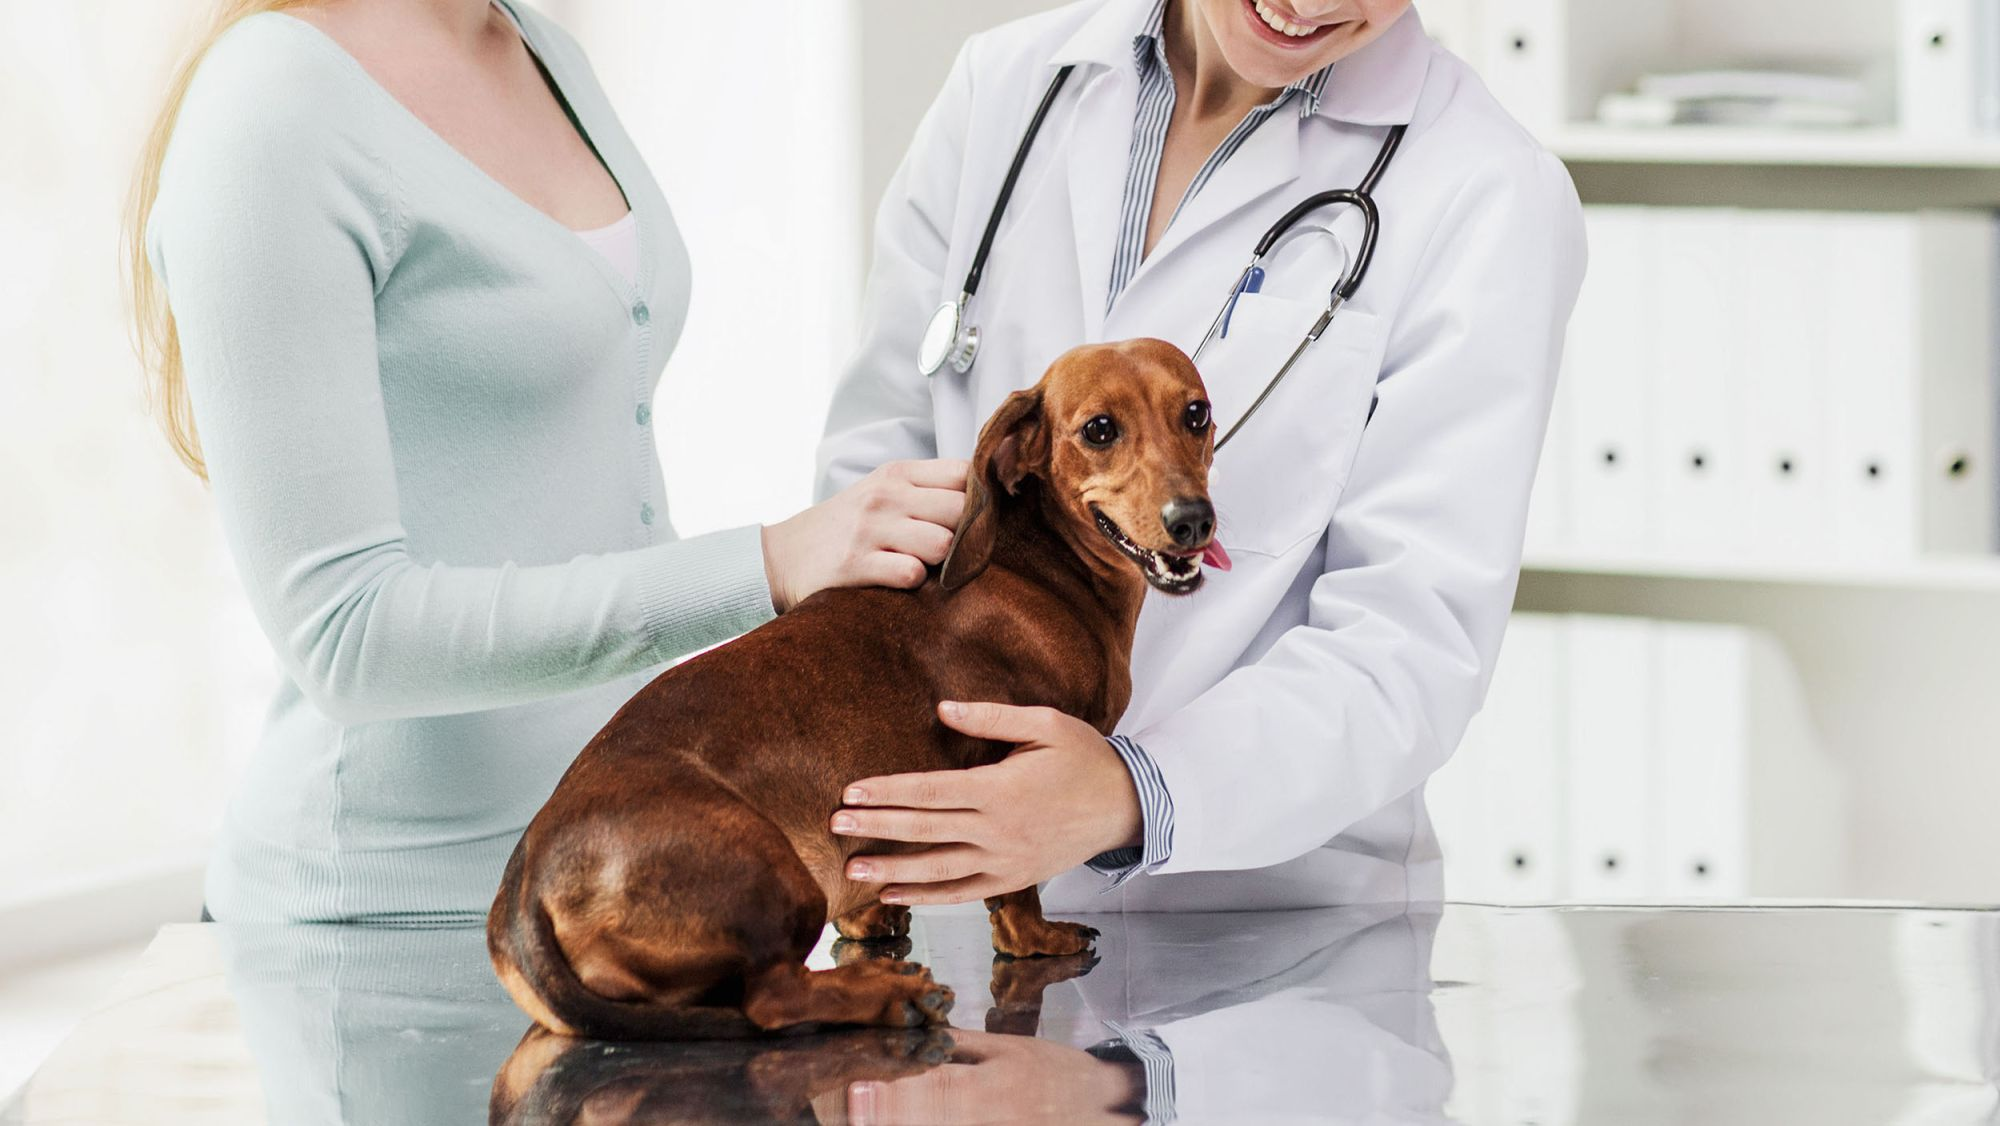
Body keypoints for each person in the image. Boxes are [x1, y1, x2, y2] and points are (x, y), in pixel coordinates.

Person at [127, 0, 968, 923]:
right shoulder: (272, 104)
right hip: (386, 920)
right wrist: (764, 565)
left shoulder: (539, 48)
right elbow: (347, 637)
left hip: (612, 884)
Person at [819, 0, 1587, 911]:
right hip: (935, 877)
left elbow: (1408, 642)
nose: (1309, 3)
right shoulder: (1008, 87)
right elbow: (875, 479)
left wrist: (1129, 792)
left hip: (1255, 929)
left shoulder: (1485, 190)